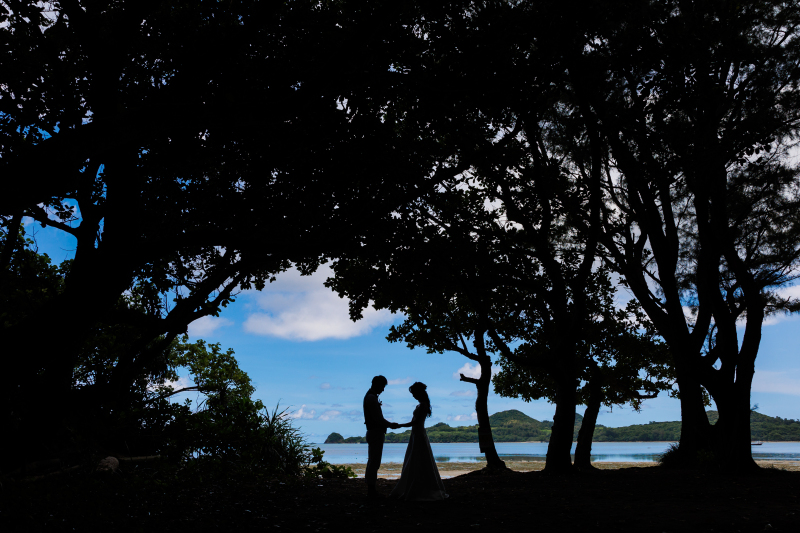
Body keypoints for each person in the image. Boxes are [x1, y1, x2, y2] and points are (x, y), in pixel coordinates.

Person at [389, 382, 448, 501]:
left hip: (419, 433)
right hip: (416, 434)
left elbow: (415, 422)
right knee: (415, 458)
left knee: (419, 458)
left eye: (414, 393)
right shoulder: (421, 405)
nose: (413, 396)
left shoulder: (423, 405)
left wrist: (399, 425)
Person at [364, 375, 399, 498]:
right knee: (374, 461)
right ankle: (371, 490)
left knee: (373, 461)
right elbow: (378, 418)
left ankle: (371, 488)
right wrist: (391, 425)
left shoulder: (371, 397)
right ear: (377, 384)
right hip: (375, 433)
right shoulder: (371, 398)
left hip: (374, 432)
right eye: (383, 386)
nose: (383, 389)